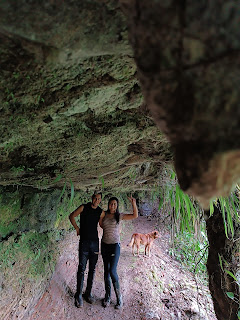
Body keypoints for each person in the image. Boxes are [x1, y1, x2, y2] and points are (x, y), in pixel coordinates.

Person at [99, 195, 138, 309]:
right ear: (108, 205)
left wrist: (133, 203)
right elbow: (101, 225)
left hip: (115, 246)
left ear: (117, 206)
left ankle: (119, 297)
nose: (113, 206)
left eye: (115, 204)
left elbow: (135, 215)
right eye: (111, 204)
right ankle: (107, 297)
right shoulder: (104, 214)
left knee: (112, 271)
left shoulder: (119, 216)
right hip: (105, 245)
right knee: (106, 271)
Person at [69, 191, 104, 308]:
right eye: (95, 198)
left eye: (99, 199)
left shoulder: (100, 211)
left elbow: (102, 223)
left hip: (95, 243)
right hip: (84, 242)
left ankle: (88, 293)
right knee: (81, 268)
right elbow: (71, 216)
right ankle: (78, 294)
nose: (97, 201)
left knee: (92, 269)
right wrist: (77, 229)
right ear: (92, 198)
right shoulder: (84, 207)